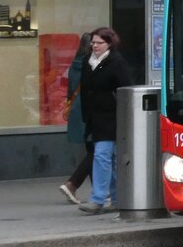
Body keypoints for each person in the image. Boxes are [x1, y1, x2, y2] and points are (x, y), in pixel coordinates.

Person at [78, 27, 133, 214]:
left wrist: (125, 116)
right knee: (110, 159)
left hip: (112, 117)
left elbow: (126, 89)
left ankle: (97, 199)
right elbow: (85, 91)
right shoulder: (88, 62)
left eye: (99, 43)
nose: (95, 46)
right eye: (93, 42)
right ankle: (117, 198)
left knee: (102, 156)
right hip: (95, 118)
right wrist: (86, 116)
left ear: (109, 44)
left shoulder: (116, 63)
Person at [57, 33, 93, 204]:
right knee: (96, 151)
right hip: (88, 109)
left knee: (92, 149)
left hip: (77, 110)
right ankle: (72, 184)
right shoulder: (91, 65)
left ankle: (99, 190)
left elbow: (70, 90)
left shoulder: (75, 64)